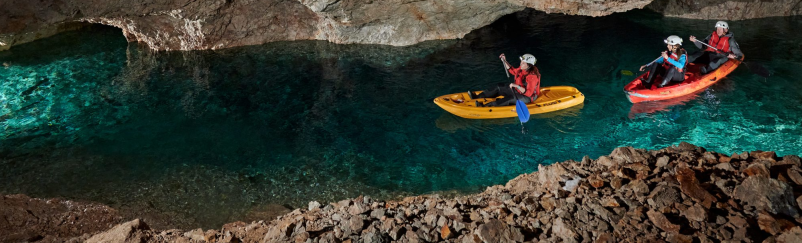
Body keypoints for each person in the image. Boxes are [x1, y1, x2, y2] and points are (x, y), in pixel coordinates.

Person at [469, 53, 540, 107]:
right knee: (499, 86)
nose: (521, 63)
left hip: (527, 97)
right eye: (521, 61)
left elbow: (528, 93)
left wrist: (516, 86)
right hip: (517, 90)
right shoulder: (523, 68)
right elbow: (513, 71)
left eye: (523, 63)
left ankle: (486, 106)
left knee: (510, 98)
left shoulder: (532, 77)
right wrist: (504, 61)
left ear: (529, 65)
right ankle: (477, 97)